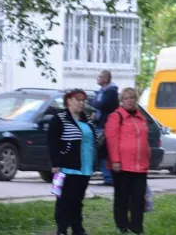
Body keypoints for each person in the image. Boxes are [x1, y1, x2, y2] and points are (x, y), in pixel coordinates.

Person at [48, 89, 97, 235]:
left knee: (78, 200)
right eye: (78, 99)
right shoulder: (60, 118)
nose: (81, 103)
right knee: (65, 200)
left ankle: (77, 228)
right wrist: (55, 163)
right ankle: (62, 229)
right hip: (68, 166)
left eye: (83, 100)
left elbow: (93, 139)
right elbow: (52, 141)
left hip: (85, 166)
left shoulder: (87, 119)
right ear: (68, 100)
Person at [105, 87, 151, 235]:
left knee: (138, 199)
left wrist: (147, 157)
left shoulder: (141, 117)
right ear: (122, 100)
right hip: (122, 166)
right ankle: (122, 225)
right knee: (122, 198)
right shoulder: (116, 116)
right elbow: (112, 140)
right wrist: (115, 160)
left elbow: (145, 140)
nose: (129, 100)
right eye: (126, 98)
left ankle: (137, 227)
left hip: (140, 166)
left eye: (132, 97)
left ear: (136, 99)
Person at [90, 69, 118, 186]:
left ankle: (109, 178)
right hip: (100, 124)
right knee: (102, 152)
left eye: (100, 76)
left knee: (104, 152)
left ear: (106, 79)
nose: (97, 78)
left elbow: (100, 104)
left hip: (106, 126)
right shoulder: (101, 92)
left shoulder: (110, 92)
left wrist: (92, 102)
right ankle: (107, 176)